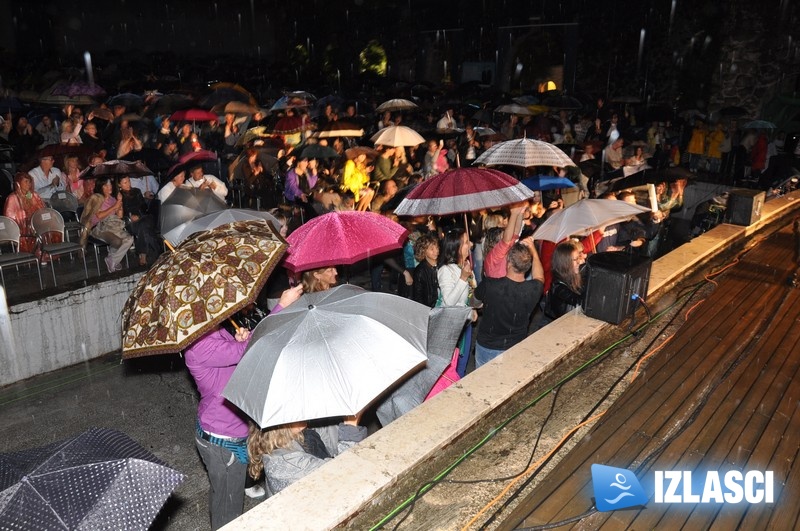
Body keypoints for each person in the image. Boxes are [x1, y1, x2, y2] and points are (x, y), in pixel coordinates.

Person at [187, 285, 303, 530]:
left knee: (227, 497)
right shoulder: (199, 345)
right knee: (227, 508)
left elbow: (239, 351)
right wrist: (281, 306)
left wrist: (242, 336)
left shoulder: (214, 330)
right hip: (222, 438)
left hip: (228, 428)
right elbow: (245, 351)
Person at [246, 413, 367, 497]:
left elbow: (328, 439)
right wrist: (350, 426)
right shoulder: (284, 462)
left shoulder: (296, 432)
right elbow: (343, 474)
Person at [474, 238, 544, 368]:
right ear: (528, 266)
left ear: (509, 263)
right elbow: (539, 276)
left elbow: (474, 301)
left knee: (483, 386)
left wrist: (478, 303)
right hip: (515, 346)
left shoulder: (490, 285)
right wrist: (533, 251)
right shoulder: (534, 289)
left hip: (488, 346)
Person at [437, 227, 478, 376]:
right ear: (456, 247)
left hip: (465, 325)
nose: (471, 244)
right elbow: (449, 302)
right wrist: (462, 278)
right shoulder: (446, 270)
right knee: (449, 367)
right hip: (450, 326)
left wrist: (474, 308)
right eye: (466, 242)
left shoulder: (467, 267)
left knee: (462, 365)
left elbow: (470, 296)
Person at [79, 177, 134, 272]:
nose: (110, 187)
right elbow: (99, 216)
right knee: (117, 242)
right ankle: (113, 261)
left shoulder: (113, 199)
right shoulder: (97, 198)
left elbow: (120, 216)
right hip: (99, 228)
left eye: (110, 185)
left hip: (112, 227)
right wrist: (114, 207)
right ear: (101, 187)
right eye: (106, 185)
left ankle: (112, 260)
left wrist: (119, 202)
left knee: (129, 239)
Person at [118, 175, 161, 266]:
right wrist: (130, 216)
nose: (128, 184)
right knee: (145, 228)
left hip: (143, 216)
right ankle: (158, 252)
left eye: (129, 181)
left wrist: (139, 213)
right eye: (125, 183)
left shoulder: (137, 191)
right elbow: (121, 212)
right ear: (119, 185)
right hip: (130, 221)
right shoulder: (119, 196)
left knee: (143, 224)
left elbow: (144, 207)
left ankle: (143, 255)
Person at [3, 172, 46, 254]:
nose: (28, 184)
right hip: (20, 227)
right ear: (19, 183)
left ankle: (41, 253)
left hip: (34, 224)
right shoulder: (12, 198)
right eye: (26, 182)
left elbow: (42, 209)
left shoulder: (33, 195)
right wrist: (23, 214)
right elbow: (9, 217)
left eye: (29, 182)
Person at [543, 240, 585, 320]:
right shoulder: (558, 287)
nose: (579, 262)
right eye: (576, 259)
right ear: (565, 263)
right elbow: (581, 302)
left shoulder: (574, 277)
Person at [411, 232, 440, 308]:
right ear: (423, 251)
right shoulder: (420, 271)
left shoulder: (441, 265)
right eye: (432, 249)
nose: (436, 251)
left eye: (437, 247)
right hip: (429, 307)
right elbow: (418, 295)